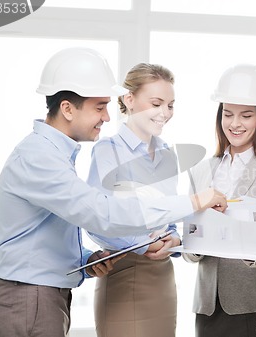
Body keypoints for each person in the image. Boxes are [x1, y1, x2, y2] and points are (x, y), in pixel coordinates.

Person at [0, 47, 227, 337]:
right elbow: (102, 213)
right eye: (99, 107)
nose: (107, 117)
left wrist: (85, 260)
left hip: (44, 294)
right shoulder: (40, 157)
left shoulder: (56, 154)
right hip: (31, 296)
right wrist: (195, 201)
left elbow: (50, 227)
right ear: (67, 108)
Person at [184, 64, 256, 337]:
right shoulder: (201, 169)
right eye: (228, 114)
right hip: (209, 306)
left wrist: (230, 226)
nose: (235, 124)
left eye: (246, 115)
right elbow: (189, 248)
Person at [86, 63, 182, 337]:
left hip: (163, 276)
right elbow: (95, 218)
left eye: (171, 105)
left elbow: (170, 219)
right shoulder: (108, 151)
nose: (165, 113)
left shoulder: (168, 156)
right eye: (156, 103)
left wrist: (173, 240)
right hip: (123, 273)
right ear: (129, 100)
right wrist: (143, 245)